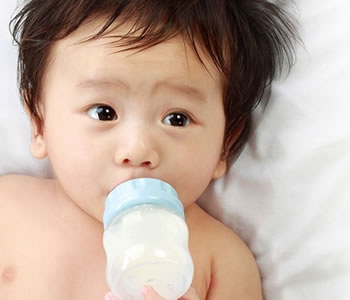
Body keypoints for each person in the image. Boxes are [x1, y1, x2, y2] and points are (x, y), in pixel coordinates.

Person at [0, 0, 296, 299]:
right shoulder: (8, 207)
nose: (138, 149)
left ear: (225, 146)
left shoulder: (221, 260)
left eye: (177, 119)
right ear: (39, 123)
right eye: (104, 112)